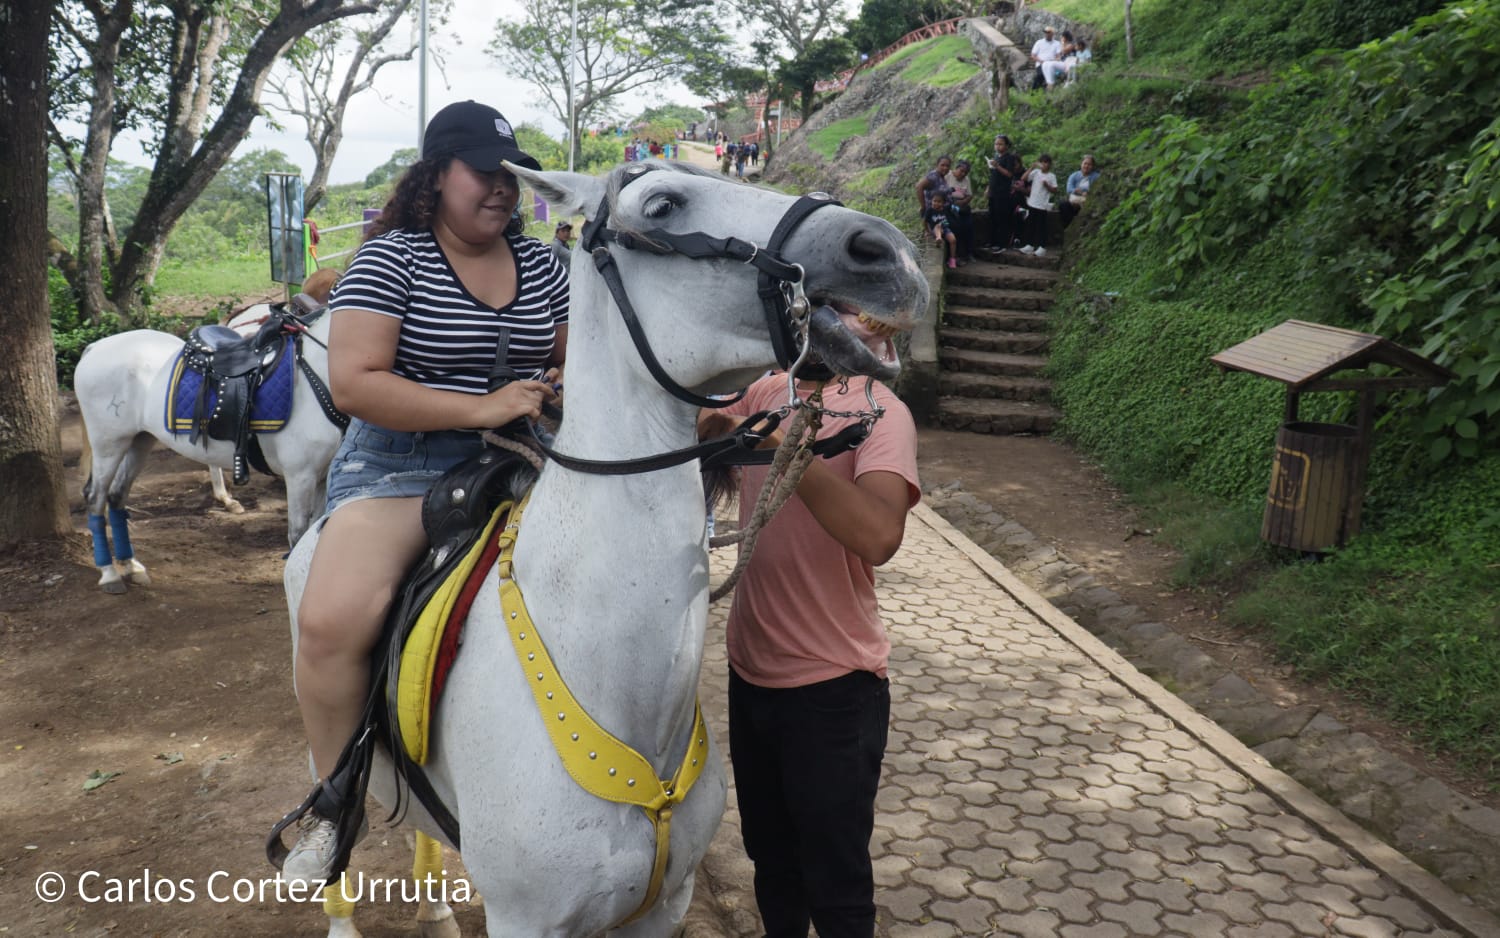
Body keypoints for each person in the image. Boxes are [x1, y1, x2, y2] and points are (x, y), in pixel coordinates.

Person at [276, 99, 567, 886]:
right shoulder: (391, 259)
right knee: (334, 622)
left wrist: (556, 386)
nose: (503, 189)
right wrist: (485, 406)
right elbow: (357, 383)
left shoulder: (543, 264)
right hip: (403, 465)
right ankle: (335, 805)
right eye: (485, 172)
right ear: (438, 176)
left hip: (527, 455)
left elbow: (576, 357)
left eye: (512, 175)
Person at [703, 371, 919, 938]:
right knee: (773, 864)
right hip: (751, 671)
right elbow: (701, 423)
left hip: (834, 689)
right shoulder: (771, 388)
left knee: (836, 884)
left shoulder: (883, 413)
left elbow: (878, 534)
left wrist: (787, 452)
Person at [984, 135, 1025, 252]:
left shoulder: (1009, 158)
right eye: (996, 144)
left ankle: (1002, 243)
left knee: (1001, 218)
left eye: (1000, 144)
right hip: (993, 191)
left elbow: (1009, 174)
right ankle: (992, 241)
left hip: (1003, 193)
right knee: (992, 217)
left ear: (1006, 145)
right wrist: (988, 188)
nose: (998, 146)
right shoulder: (996, 157)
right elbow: (994, 175)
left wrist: (997, 166)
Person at [1018, 153, 1058, 256]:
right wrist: (1032, 167)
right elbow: (1023, 178)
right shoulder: (1036, 172)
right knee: (1030, 225)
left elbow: (1054, 190)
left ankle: (1042, 247)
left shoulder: (1051, 176)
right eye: (1042, 162)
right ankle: (1029, 246)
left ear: (1050, 164)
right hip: (1032, 203)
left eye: (1046, 162)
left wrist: (1047, 186)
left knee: (1041, 226)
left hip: (1042, 205)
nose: (1044, 164)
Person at [944, 159, 976, 263]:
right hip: (949, 206)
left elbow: (970, 195)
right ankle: (955, 256)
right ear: (956, 168)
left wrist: (963, 202)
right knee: (956, 228)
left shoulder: (966, 179)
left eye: (965, 172)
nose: (963, 174)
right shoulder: (948, 176)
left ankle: (969, 253)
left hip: (963, 205)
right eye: (961, 171)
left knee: (969, 226)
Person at [1059, 154, 1099, 228]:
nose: (1086, 166)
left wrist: (1088, 193)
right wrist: (1077, 191)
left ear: (1093, 166)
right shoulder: (1074, 175)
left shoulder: (1096, 176)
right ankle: (1069, 226)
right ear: (1081, 164)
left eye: (1089, 164)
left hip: (1088, 200)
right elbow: (1069, 188)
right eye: (1085, 163)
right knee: (1063, 205)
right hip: (1074, 199)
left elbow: (1098, 190)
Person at [925, 190, 961, 269]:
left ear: (943, 203)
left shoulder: (945, 210)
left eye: (939, 202)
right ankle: (938, 238)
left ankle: (952, 259)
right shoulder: (930, 210)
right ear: (931, 201)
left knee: (953, 240)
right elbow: (925, 221)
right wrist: (927, 231)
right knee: (938, 226)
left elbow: (950, 218)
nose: (936, 203)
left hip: (945, 228)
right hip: (935, 229)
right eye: (934, 201)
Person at [1029, 26, 1062, 91]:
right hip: (1041, 63)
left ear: (1052, 33)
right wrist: (1041, 61)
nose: (1046, 34)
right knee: (1041, 74)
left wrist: (1054, 60)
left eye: (1048, 32)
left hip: (1051, 64)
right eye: (1045, 32)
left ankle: (1046, 92)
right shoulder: (1039, 42)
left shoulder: (1057, 43)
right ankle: (1033, 92)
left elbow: (1058, 56)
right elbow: (1033, 55)